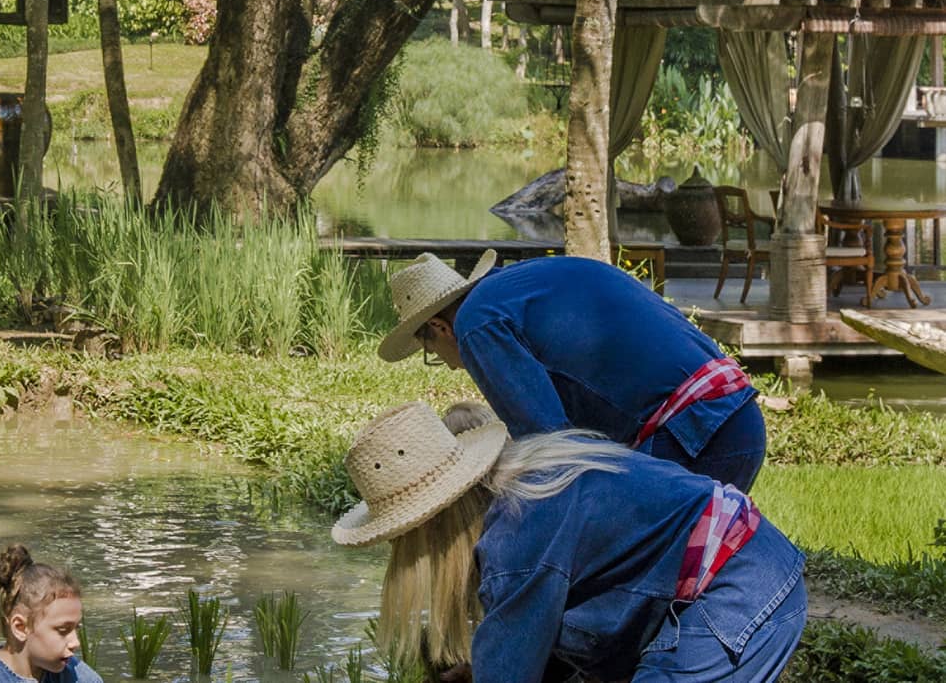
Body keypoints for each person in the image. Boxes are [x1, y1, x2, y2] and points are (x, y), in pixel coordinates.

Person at [331, 400, 806, 683]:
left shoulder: (518, 535)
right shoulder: (527, 489)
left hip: (739, 587)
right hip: (747, 571)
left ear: (429, 527)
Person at [379, 252, 765, 490]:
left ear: (440, 328)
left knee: (608, 577)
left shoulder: (477, 324)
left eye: (431, 351)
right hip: (734, 415)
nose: (449, 364)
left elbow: (551, 450)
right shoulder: (522, 286)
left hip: (698, 434)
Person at [0, 544, 100, 683]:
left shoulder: (79, 677)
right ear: (20, 627)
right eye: (62, 630)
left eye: (76, 628)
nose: (75, 643)